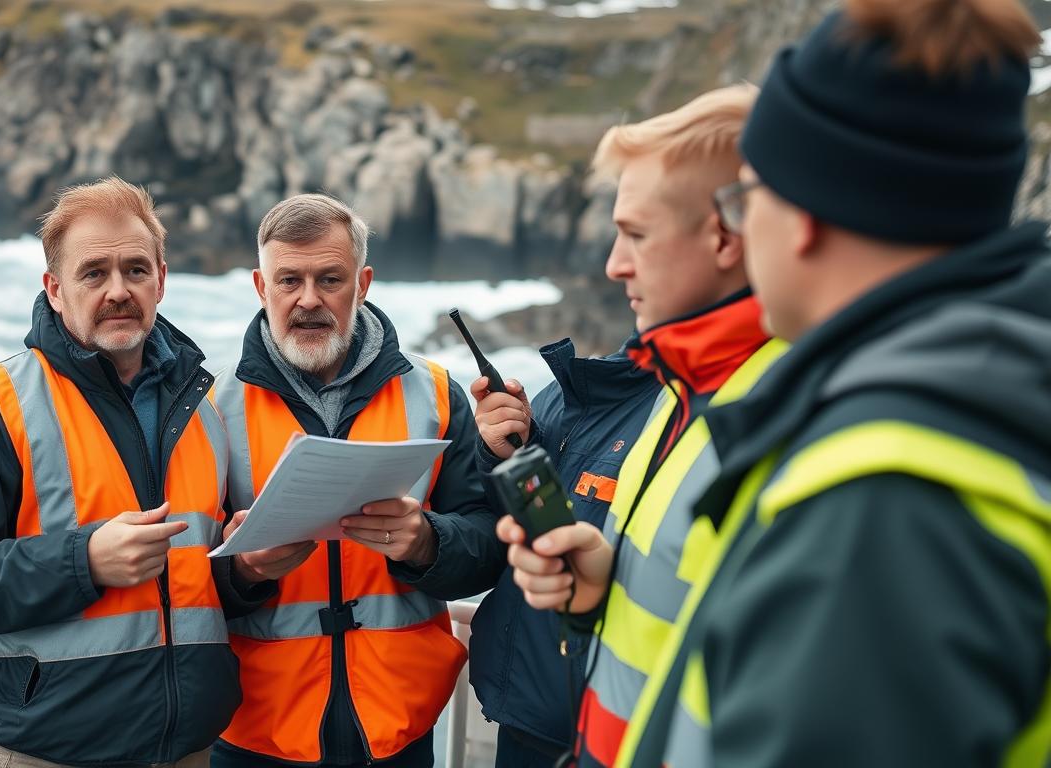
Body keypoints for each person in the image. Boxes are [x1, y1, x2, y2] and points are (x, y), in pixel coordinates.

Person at [522, 1, 1051, 765]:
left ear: (803, 215)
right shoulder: (954, 400)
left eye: (750, 199)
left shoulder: (882, 506)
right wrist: (612, 590)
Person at [0, 176, 304, 767]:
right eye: (94, 273)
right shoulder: (2, 402)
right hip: (54, 755)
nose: (118, 290)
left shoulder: (204, 412)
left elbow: (191, 593)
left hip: (190, 752)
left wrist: (245, 572)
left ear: (161, 279)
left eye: (136, 270)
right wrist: (83, 562)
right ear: (55, 290)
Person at [492, 85, 789, 768]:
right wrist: (600, 590)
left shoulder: (783, 414)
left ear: (723, 235)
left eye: (636, 235)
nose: (612, 264)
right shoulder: (677, 388)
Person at [211, 193, 501, 768]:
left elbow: (489, 546)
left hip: (399, 730)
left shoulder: (438, 393)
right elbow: (175, 577)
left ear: (363, 283)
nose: (309, 299)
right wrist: (240, 570)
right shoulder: (209, 408)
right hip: (255, 733)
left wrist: (427, 543)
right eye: (288, 280)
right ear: (260, 287)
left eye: (330, 279)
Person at [467, 329, 660, 764]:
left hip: (614, 738)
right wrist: (504, 455)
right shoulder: (568, 390)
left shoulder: (698, 410)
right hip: (521, 715)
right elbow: (515, 529)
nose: (619, 265)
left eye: (641, 252)